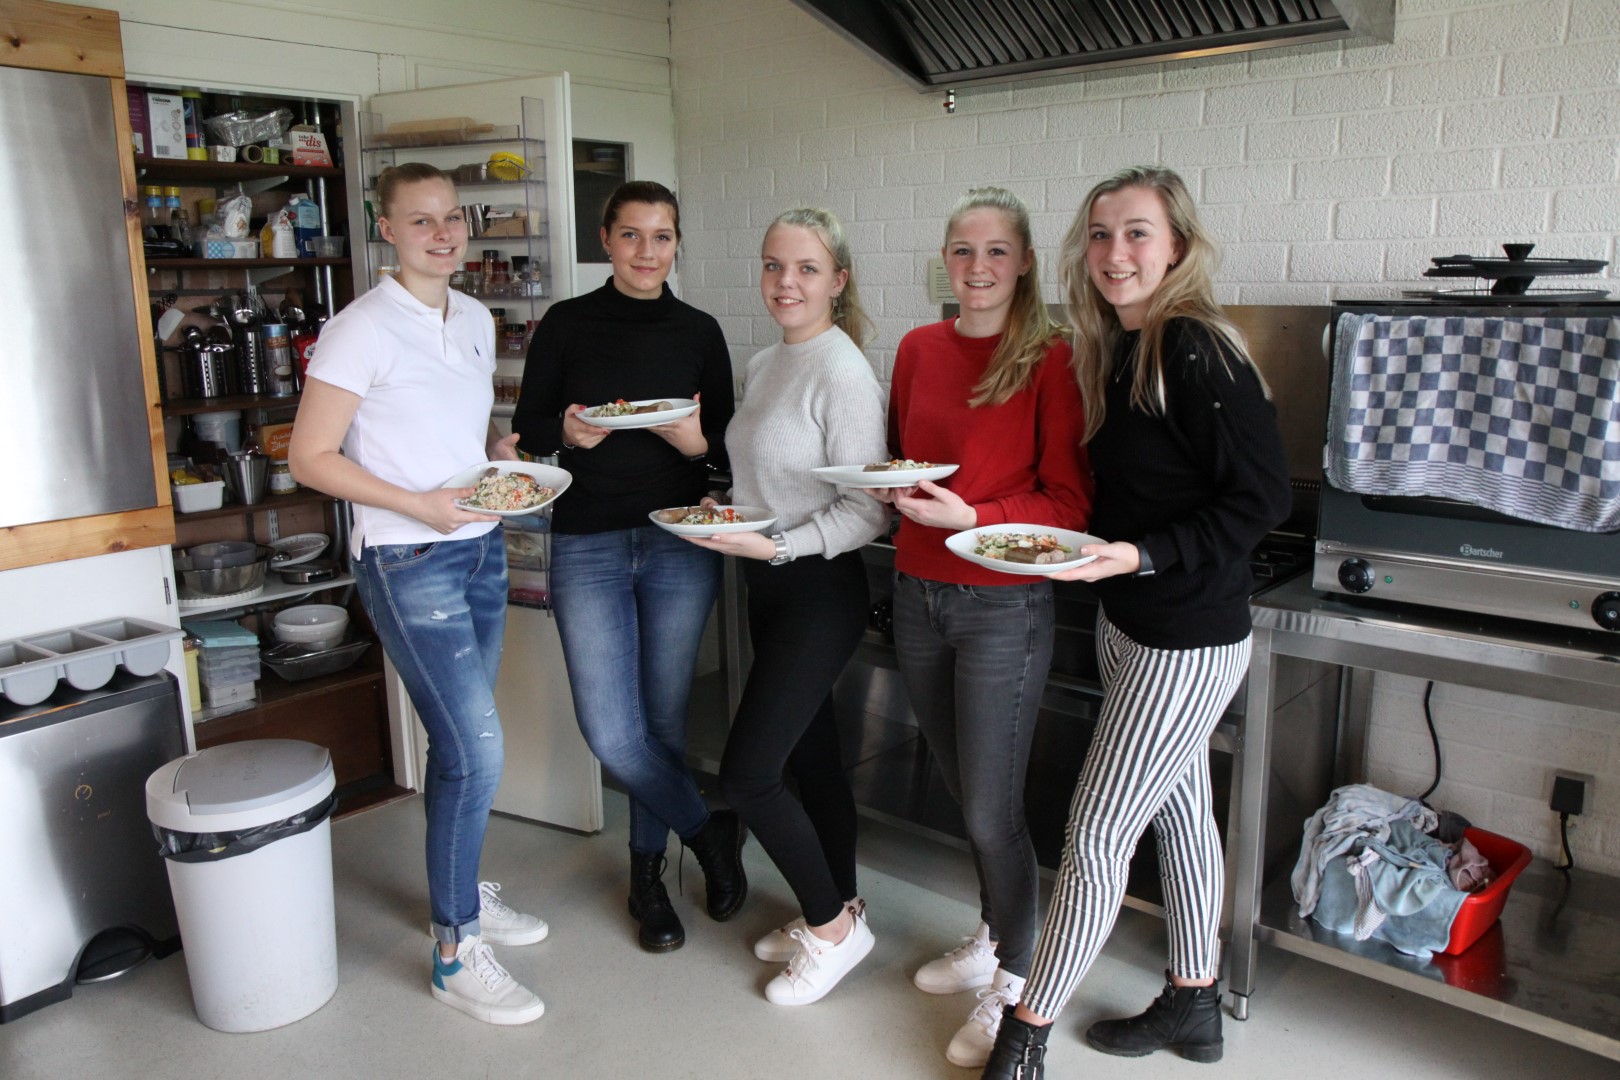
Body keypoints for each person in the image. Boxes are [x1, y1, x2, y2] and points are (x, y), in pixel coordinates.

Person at [980, 166, 1293, 1078]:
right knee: (1184, 815)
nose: (1115, 253)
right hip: (1131, 624)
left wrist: (1145, 554)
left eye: (1137, 233)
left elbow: (1264, 497)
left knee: (1094, 837)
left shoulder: (1194, 346)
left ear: (1178, 245)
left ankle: (1024, 1036)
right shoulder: (1120, 345)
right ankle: (1195, 1004)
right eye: (1101, 234)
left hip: (1185, 638)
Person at [289, 162, 548, 1026]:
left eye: (453, 219)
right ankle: (453, 952)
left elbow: (455, 426)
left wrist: (496, 453)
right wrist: (419, 505)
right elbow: (309, 458)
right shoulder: (358, 329)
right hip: (407, 558)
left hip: (479, 549)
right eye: (422, 220)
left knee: (456, 745)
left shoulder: (473, 317)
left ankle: (459, 892)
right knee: (478, 749)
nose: (442, 234)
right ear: (388, 230)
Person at [877, 187, 1093, 1068]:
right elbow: (904, 459)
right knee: (963, 788)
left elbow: (1068, 502)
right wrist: (894, 491)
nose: (978, 267)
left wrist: (972, 515)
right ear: (945, 260)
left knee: (992, 809)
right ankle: (994, 934)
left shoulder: (1051, 356)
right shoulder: (917, 348)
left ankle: (1017, 980)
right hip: (918, 591)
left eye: (997, 251)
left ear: (1025, 261)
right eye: (963, 251)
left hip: (1003, 605)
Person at [510, 180, 745, 954]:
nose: (648, 251)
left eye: (662, 236)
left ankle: (648, 879)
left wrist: (698, 444)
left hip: (678, 540)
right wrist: (569, 435)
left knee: (663, 724)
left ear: (677, 244)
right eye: (633, 235)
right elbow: (530, 426)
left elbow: (728, 442)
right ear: (606, 240)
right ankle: (708, 832)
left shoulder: (699, 330)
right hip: (587, 540)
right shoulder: (567, 323)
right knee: (614, 732)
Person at [686, 208, 889, 1005]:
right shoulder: (767, 360)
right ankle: (839, 902)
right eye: (774, 265)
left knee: (748, 774)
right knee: (811, 761)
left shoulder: (842, 372)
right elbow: (764, 479)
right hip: (767, 585)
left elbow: (868, 513)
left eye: (806, 268)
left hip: (817, 592)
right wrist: (729, 514)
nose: (786, 282)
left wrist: (775, 548)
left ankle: (834, 933)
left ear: (838, 280)